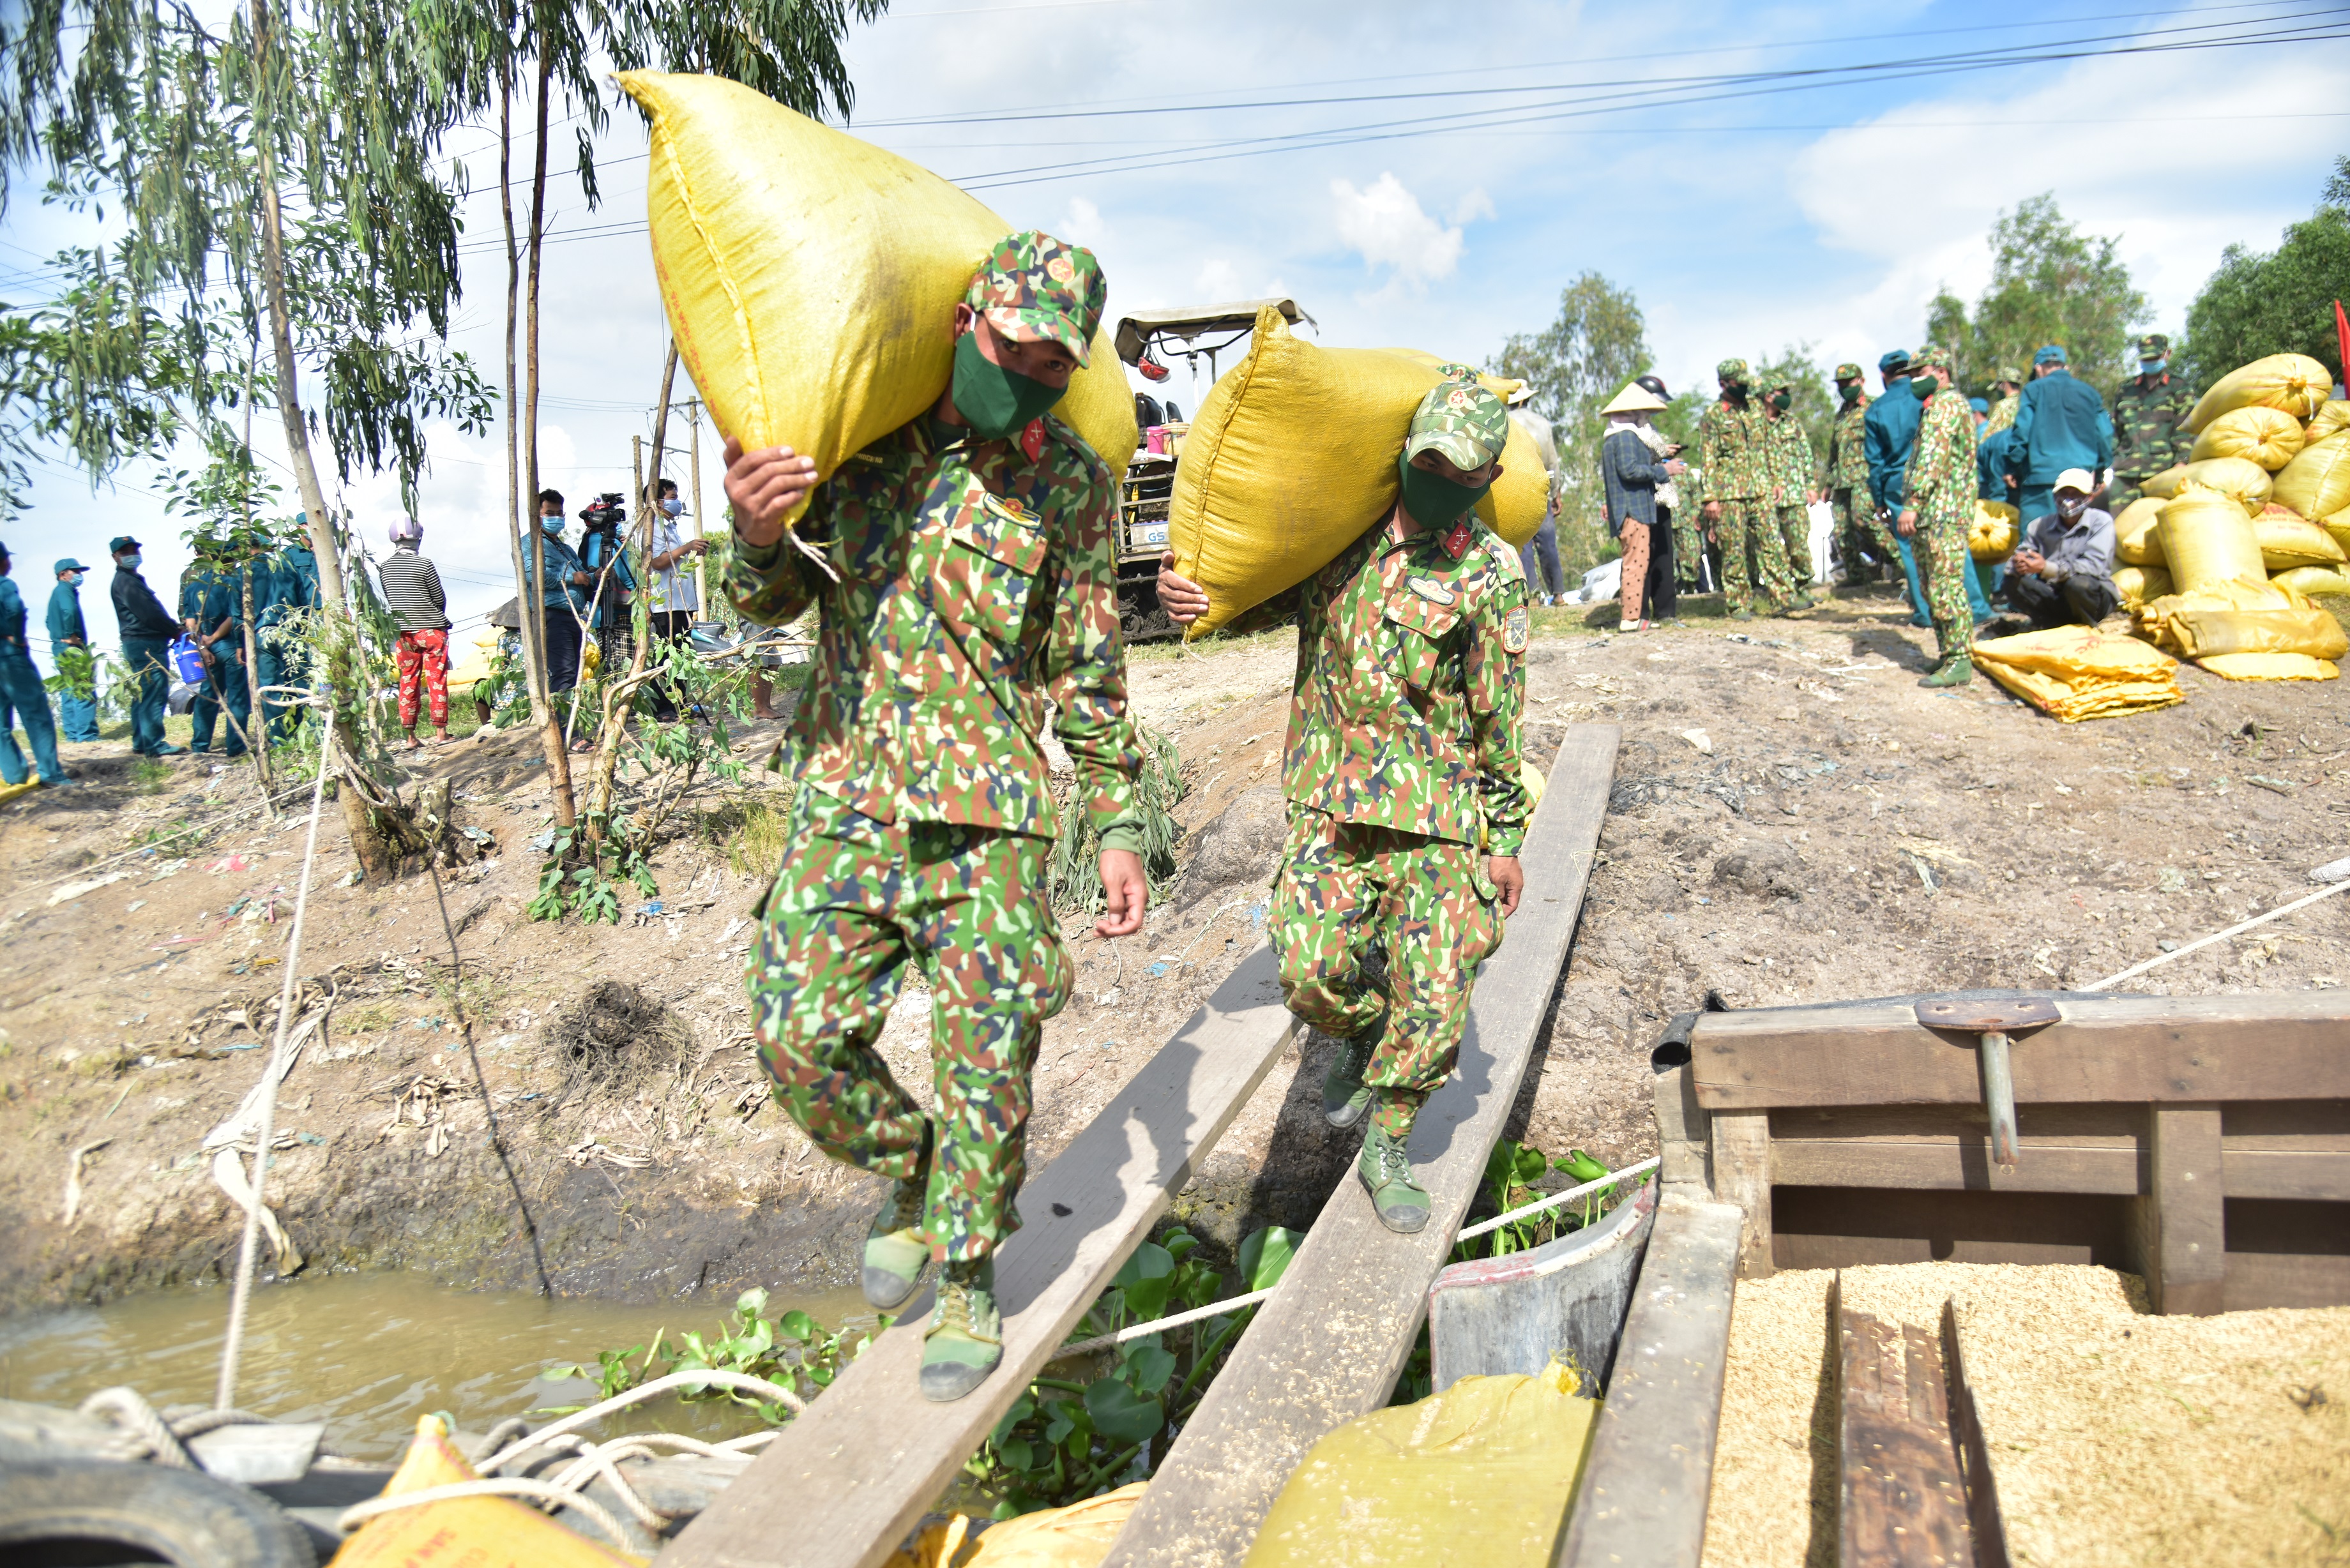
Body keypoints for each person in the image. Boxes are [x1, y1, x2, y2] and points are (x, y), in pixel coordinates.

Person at [721, 230, 1146, 1403]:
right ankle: (914, 1173)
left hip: (995, 816)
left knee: (988, 1059)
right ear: (968, 321)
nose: (1029, 376)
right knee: (796, 1037)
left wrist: (1115, 819)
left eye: (1054, 365)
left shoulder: (1071, 481)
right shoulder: (860, 440)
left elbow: (1088, 660)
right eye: (1013, 347)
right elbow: (772, 596)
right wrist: (755, 533)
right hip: (850, 797)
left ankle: (967, 1272)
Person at [1156, 370, 1528, 1239]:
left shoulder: (1490, 573)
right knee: (1311, 973)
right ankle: (1362, 1035)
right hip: (1330, 804)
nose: (1447, 482)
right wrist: (1190, 599)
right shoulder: (1337, 538)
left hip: (1440, 819)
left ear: (1488, 480)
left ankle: (1389, 1140)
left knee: (1437, 1004)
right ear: (1407, 452)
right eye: (1434, 463)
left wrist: (1504, 837)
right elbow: (1249, 596)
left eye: (1468, 475)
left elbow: (1499, 715)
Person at [1895, 345, 1980, 688]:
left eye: (1921, 373)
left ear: (1941, 372)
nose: (1915, 380)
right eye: (1912, 375)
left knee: (1945, 586)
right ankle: (1949, 654)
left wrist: (1912, 502)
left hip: (1942, 511)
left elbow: (1931, 458)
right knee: (1933, 587)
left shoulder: (1945, 405)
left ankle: (1959, 659)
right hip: (1935, 513)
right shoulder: (1936, 407)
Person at [1695, 358, 1789, 619]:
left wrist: (1776, 479)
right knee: (1734, 551)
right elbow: (1708, 458)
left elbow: (1768, 445)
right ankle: (1738, 604)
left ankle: (1783, 597)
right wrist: (1710, 498)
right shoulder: (1714, 415)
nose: (1744, 387)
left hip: (1760, 488)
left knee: (1771, 543)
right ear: (1724, 384)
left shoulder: (1755, 408)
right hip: (1729, 494)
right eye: (1739, 382)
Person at [1599, 381, 1683, 628]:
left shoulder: (1617, 437)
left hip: (1631, 508)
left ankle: (1634, 617)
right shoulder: (1625, 438)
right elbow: (1630, 470)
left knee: (1636, 561)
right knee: (1636, 563)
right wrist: (1663, 470)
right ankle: (1632, 618)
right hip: (1633, 509)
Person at [2005, 344, 2112, 525]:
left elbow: (2022, 433)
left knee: (2035, 543)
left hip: (2042, 480)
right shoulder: (2090, 394)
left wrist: (2012, 466)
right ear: (2066, 368)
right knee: (2076, 540)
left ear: (2038, 368)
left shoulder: (2034, 390)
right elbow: (2105, 435)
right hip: (2080, 481)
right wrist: (2100, 472)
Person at [1863, 349, 1930, 628]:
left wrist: (1879, 500)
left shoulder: (1877, 409)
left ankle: (1925, 612)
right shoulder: (1927, 397)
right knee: (1947, 542)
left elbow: (1875, 461)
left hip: (1896, 484)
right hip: (1931, 477)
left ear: (1883, 376)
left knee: (1909, 548)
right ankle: (1972, 607)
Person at [2003, 468, 2119, 629]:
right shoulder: (2039, 525)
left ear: (2090, 497)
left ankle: (2086, 625)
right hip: (2055, 594)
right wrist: (2020, 564)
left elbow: (2094, 567)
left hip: (2092, 597)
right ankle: (2050, 622)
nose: (2068, 500)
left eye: (2076, 494)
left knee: (2078, 584)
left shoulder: (2100, 522)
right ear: (2054, 496)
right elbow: (2019, 558)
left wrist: (2046, 568)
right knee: (2011, 583)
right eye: (2064, 493)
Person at [379, 518, 453, 748]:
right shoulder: (425, 564)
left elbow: (391, 598)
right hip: (432, 629)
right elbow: (439, 598)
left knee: (408, 680)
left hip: (403, 634)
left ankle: (410, 738)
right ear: (418, 538)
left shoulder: (384, 567)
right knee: (436, 679)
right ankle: (441, 733)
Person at [0, 541, 68, 788]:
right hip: (11, 659)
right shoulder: (4, 584)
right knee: (36, 715)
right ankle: (51, 774)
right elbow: (16, 609)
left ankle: (14, 775)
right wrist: (17, 638)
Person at [109, 536, 181, 756]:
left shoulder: (130, 579)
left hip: (139, 642)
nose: (132, 554)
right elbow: (150, 615)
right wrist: (175, 630)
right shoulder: (127, 582)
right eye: (125, 552)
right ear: (115, 557)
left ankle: (142, 741)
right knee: (154, 691)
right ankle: (154, 744)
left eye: (134, 550)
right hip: (145, 643)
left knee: (144, 692)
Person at [646, 477, 711, 721]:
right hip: (665, 604)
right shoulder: (652, 527)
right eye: (673, 498)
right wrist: (686, 547)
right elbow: (658, 562)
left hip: (680, 603)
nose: (677, 503)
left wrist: (690, 549)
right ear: (658, 501)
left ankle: (681, 705)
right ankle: (665, 708)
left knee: (681, 655)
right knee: (667, 657)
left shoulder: (670, 526)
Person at [1825, 363, 1895, 585]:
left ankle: (1903, 560)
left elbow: (1888, 442)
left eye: (1849, 383)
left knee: (1862, 519)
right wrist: (1828, 482)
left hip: (1865, 477)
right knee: (1842, 530)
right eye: (1841, 384)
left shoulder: (1874, 407)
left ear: (1862, 381)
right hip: (1842, 481)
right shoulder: (1841, 415)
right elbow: (1834, 452)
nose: (1845, 388)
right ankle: (1857, 576)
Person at [181, 539, 250, 758]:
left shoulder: (194, 586)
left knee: (209, 695)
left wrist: (202, 643)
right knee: (238, 697)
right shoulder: (231, 583)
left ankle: (200, 745)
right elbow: (234, 616)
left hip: (208, 650)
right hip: (230, 646)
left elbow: (189, 620)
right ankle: (236, 747)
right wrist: (214, 637)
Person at [2109, 334, 2195, 509]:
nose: (2149, 361)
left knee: (2158, 527)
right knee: (2119, 528)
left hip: (2162, 473)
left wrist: (2182, 462)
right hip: (2126, 474)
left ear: (2167, 354)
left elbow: (2185, 430)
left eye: (2154, 357)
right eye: (2145, 358)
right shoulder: (2126, 389)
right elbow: (2115, 430)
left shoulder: (2179, 388)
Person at [529, 490, 593, 697]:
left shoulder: (564, 547)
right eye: (549, 513)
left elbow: (581, 570)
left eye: (559, 513)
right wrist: (571, 578)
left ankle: (572, 724)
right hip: (551, 616)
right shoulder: (531, 543)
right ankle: (565, 727)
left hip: (572, 616)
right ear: (536, 514)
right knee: (563, 673)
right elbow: (533, 576)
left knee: (574, 674)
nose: (555, 517)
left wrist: (593, 574)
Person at [1761, 380, 1817, 610]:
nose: (1786, 396)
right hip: (1766, 495)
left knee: (1798, 545)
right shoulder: (1755, 424)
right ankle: (1780, 592)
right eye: (1781, 392)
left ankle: (1804, 586)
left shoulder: (1792, 423)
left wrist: (1811, 484)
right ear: (1768, 396)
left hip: (1794, 493)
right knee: (1771, 546)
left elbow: (1806, 454)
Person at [1505, 389, 1565, 606]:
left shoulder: (1505, 421)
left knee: (1524, 544)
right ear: (1526, 399)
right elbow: (1552, 462)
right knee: (1548, 544)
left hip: (1513, 491)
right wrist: (1556, 492)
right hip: (1541, 489)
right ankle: (1558, 594)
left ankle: (1534, 596)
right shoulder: (1543, 423)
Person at [577, 494, 638, 682]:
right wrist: (640, 596)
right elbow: (626, 575)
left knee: (607, 662)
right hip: (621, 611)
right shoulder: (609, 543)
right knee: (625, 664)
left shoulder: (586, 542)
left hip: (598, 612)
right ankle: (623, 704)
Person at [47, 558, 101, 743]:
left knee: (68, 690)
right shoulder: (65, 590)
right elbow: (69, 611)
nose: (79, 575)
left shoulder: (56, 593)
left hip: (59, 648)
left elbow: (48, 621)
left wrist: (58, 636)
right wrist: (71, 635)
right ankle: (87, 735)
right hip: (72, 648)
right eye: (75, 572)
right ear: (63, 575)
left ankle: (72, 734)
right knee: (83, 688)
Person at [1983, 368, 2023, 434]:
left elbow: (1990, 436)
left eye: (1997, 388)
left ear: (2004, 385)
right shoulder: (2027, 403)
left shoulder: (2003, 406)